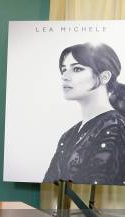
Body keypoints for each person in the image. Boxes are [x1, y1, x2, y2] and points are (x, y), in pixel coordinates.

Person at [44, 42, 125, 184]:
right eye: (63, 69)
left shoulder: (114, 128)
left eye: (76, 69)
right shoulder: (68, 135)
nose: (65, 76)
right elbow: (50, 185)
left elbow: (101, 193)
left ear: (104, 77)